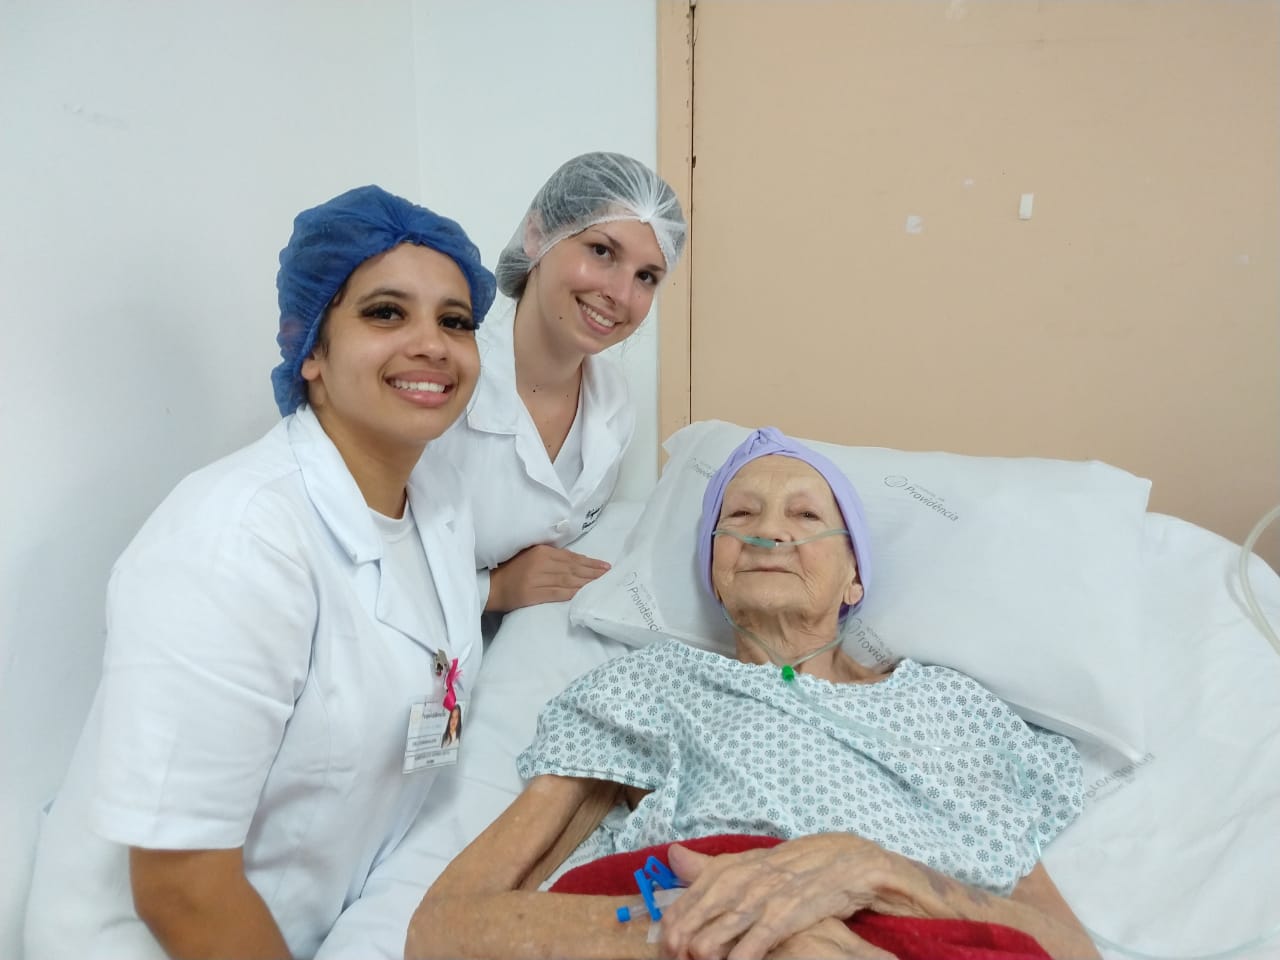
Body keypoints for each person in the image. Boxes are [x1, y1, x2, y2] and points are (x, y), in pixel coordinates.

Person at [406, 428, 1100, 960]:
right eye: (739, 515)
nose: (769, 532)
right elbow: (447, 925)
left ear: (854, 577)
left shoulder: (956, 714)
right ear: (715, 567)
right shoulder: (650, 686)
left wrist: (872, 872)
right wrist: (715, 929)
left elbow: (1068, 949)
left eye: (804, 516)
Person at [24, 185, 497, 960]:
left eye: (455, 320)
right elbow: (180, 888)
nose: (433, 344)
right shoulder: (234, 540)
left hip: (321, 918)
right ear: (310, 348)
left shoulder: (436, 496)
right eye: (386, 313)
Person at [423, 151, 687, 614]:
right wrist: (494, 591)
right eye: (602, 251)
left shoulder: (613, 401)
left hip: (525, 657)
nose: (621, 295)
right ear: (536, 235)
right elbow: (367, 563)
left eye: (646, 276)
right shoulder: (442, 380)